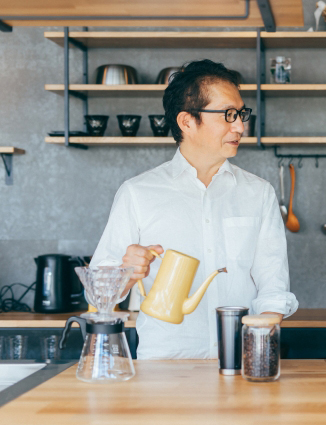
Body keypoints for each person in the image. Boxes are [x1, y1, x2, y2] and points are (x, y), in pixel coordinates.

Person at [91, 59, 299, 359]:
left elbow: (273, 284)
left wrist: (264, 330)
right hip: (165, 373)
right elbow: (96, 295)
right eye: (228, 115)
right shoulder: (137, 193)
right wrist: (126, 271)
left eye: (241, 114)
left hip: (242, 365)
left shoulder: (259, 193)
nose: (240, 126)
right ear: (187, 122)